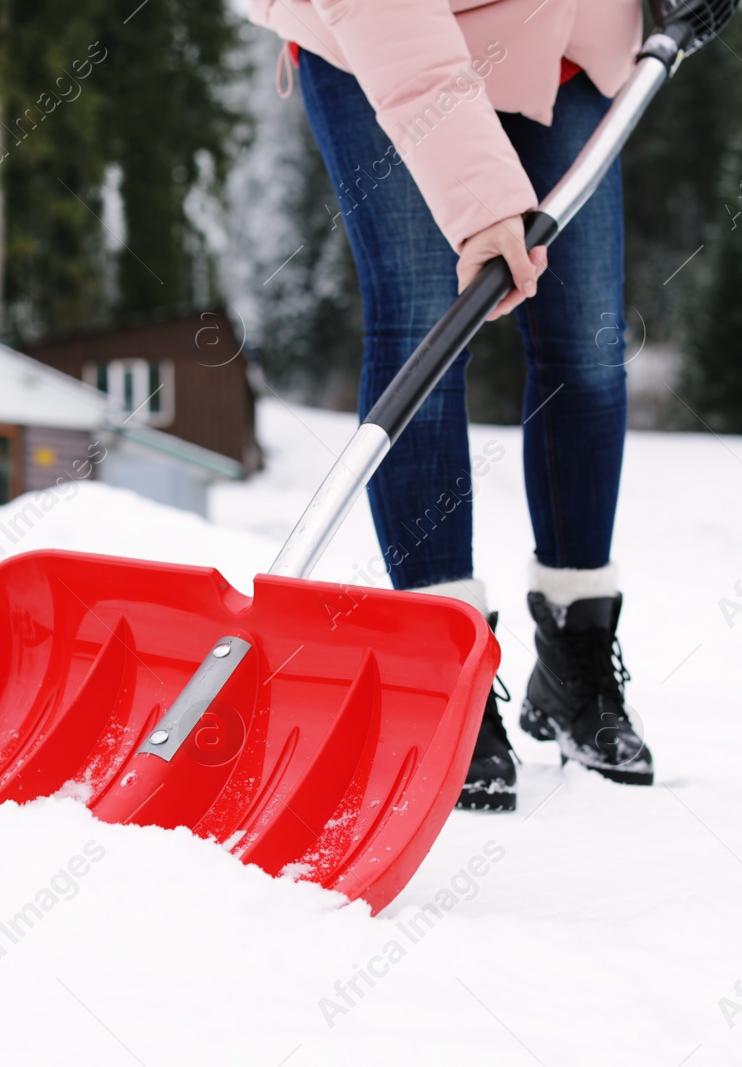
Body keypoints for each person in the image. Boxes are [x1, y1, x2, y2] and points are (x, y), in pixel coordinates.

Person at [248, 0, 654, 811]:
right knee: (420, 327)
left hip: (570, 32)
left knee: (585, 343)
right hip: (383, 42)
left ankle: (575, 658)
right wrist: (478, 205)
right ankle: (444, 673)